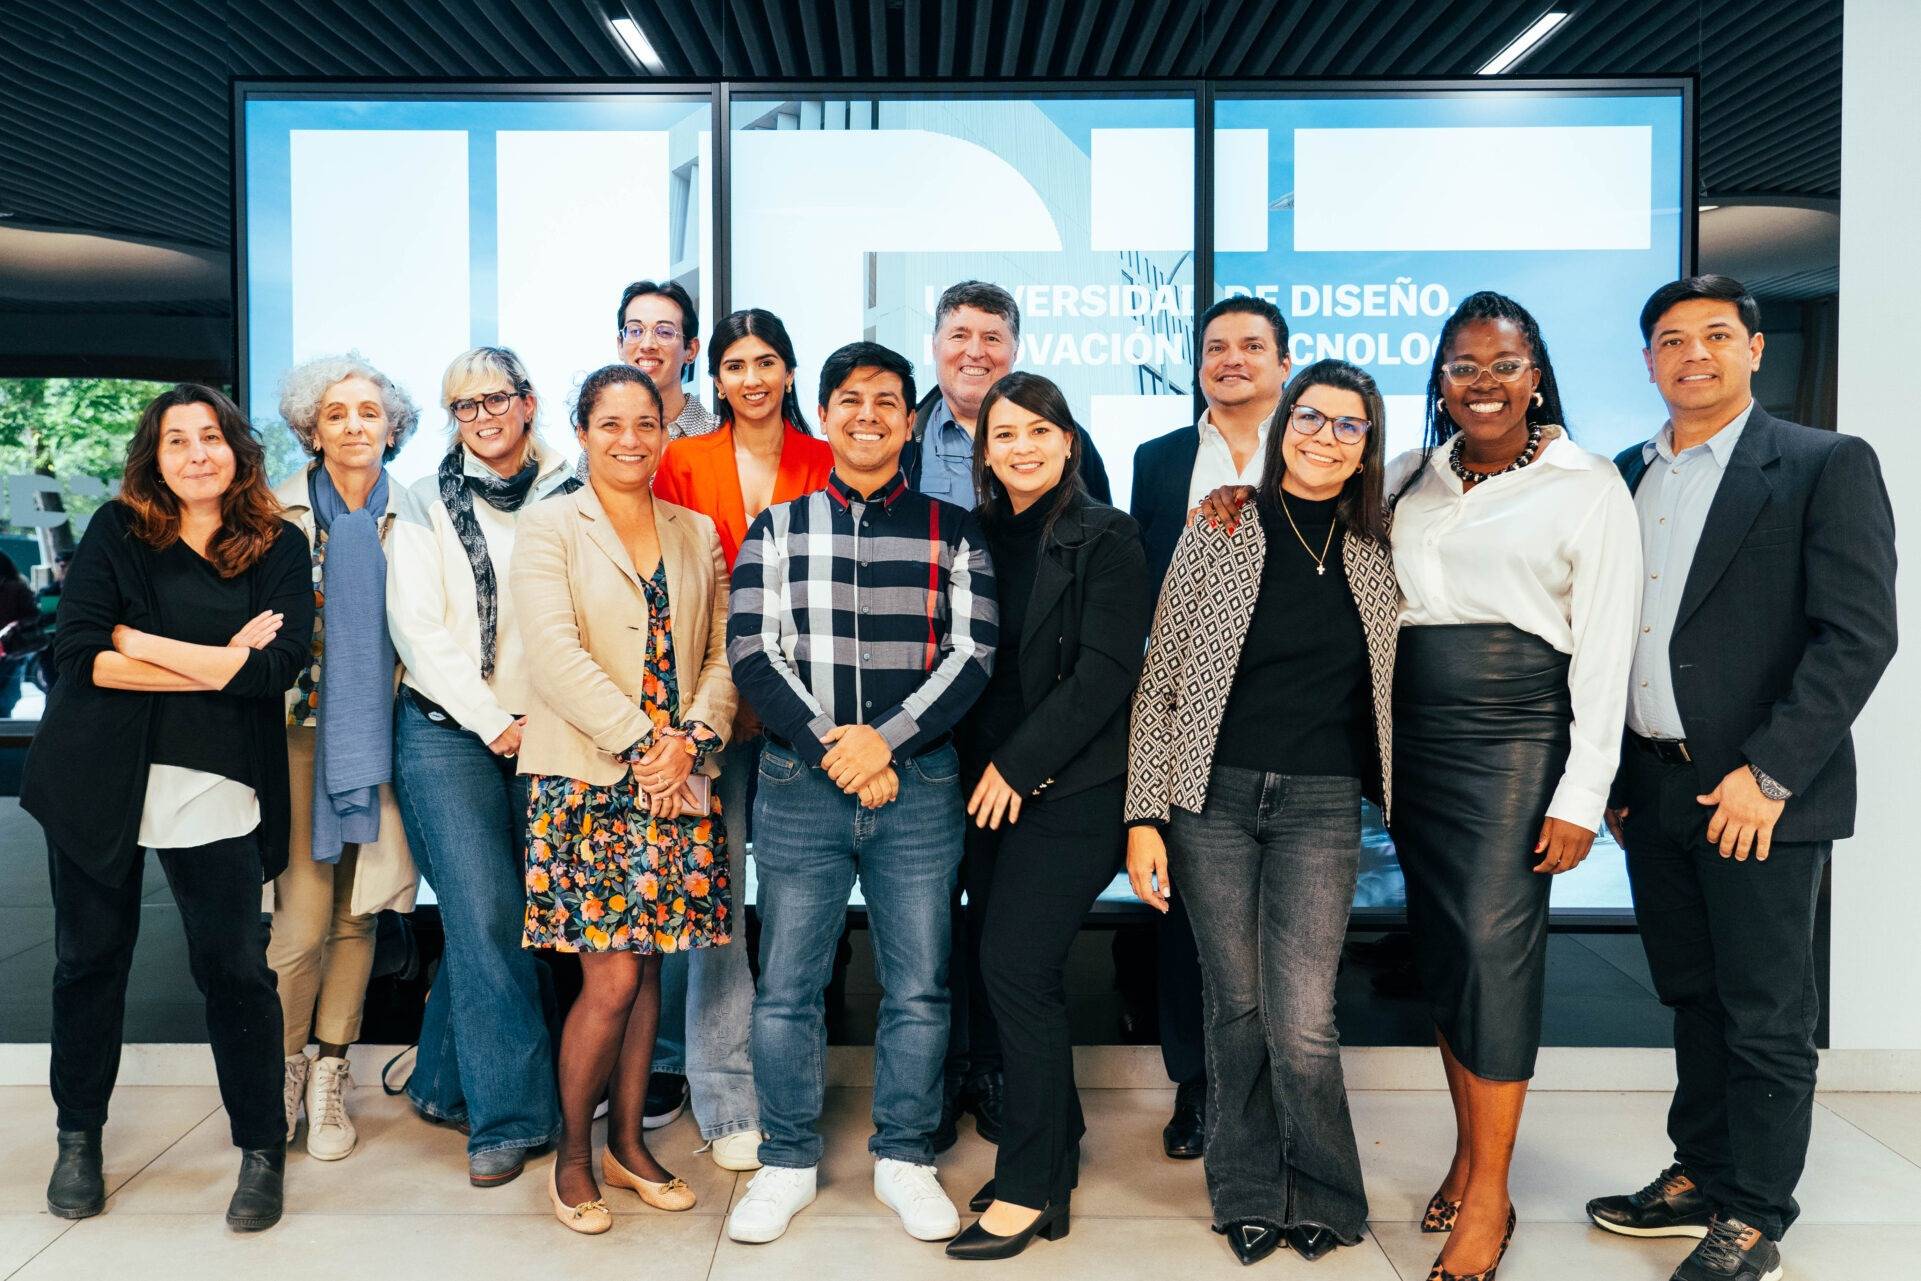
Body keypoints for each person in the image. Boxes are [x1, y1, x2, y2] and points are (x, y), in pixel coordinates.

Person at [1585, 277, 1897, 1281]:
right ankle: (1701, 1171)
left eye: (1717, 336)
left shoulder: (1819, 464)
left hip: (1757, 792)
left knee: (1766, 1011)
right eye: (1671, 340)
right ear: (1647, 361)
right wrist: (1619, 783)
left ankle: (1755, 1214)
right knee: (1691, 994)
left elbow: (1855, 635)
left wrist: (1771, 773)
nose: (1694, 355)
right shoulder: (1628, 475)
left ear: (1754, 349)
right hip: (1657, 786)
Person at [724, 341, 997, 1247]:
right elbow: (752, 654)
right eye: (850, 399)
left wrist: (885, 739)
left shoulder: (954, 529)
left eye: (887, 400)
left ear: (909, 418)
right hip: (803, 781)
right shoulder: (777, 526)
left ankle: (905, 1155)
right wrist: (836, 746)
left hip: (917, 784)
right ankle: (788, 1157)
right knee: (786, 987)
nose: (868, 414)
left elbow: (972, 654)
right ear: (826, 413)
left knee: (918, 984)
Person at [1127, 360, 1398, 1268]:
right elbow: (1160, 675)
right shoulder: (1223, 525)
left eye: (1347, 426)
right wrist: (1142, 815)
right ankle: (1244, 1190)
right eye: (1311, 418)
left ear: (1368, 447)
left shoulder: (1383, 543)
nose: (1324, 437)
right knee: (1235, 1004)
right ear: (1284, 422)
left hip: (1321, 804)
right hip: (1210, 797)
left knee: (1303, 1016)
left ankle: (1322, 1188)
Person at [27, 384, 314, 1232]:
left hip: (218, 776)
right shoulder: (119, 530)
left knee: (233, 969)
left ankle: (261, 1147)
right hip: (96, 774)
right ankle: (77, 1138)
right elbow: (79, 656)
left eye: (212, 437)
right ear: (153, 456)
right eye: (177, 440)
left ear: (238, 450)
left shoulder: (278, 545)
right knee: (88, 962)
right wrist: (210, 655)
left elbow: (272, 670)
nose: (196, 453)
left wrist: (136, 640)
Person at [513, 363, 739, 1234]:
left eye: (646, 422)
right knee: (608, 975)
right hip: (585, 779)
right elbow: (555, 654)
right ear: (581, 430)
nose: (630, 439)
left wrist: (691, 738)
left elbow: (721, 651)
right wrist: (645, 744)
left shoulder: (695, 531)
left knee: (649, 965)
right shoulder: (549, 526)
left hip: (677, 779)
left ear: (665, 429)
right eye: (610, 423)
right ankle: (574, 1154)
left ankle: (629, 1146)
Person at [941, 372, 1149, 1261]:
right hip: (982, 791)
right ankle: (1052, 1151)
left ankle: (1027, 1186)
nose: (1020, 447)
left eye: (1038, 430)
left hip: (1071, 789)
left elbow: (1105, 676)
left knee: (1014, 968)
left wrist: (1017, 767)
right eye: (1003, 434)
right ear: (982, 450)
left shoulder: (1108, 536)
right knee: (1002, 971)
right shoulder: (975, 535)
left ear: (1067, 440)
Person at [649, 308, 835, 1172]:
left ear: (789, 373)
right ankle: (724, 1096)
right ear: (712, 378)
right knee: (715, 902)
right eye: (733, 363)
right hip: (711, 705)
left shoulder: (828, 457)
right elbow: (674, 590)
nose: (751, 377)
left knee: (800, 903)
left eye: (766, 361)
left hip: (808, 707)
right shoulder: (681, 460)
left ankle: (795, 1083)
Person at [388, 346, 573, 1187]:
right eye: (463, 406)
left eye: (495, 398)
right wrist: (498, 723)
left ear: (528, 403)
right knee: (486, 912)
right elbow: (418, 633)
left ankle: (437, 1079)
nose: (482, 416)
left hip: (559, 732)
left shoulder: (576, 491)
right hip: (448, 730)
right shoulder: (423, 503)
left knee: (516, 921)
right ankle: (508, 1119)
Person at [1126, 293, 1293, 1160]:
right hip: (1186, 715)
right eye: (1215, 346)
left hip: (1289, 717)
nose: (1231, 359)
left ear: (1282, 362)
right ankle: (1196, 1085)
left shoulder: (1312, 450)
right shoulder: (1157, 460)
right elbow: (1143, 589)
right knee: (1187, 916)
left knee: (1282, 921)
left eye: (1250, 346)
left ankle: (1274, 1089)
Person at [267, 355, 421, 1163]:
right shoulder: (270, 511)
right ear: (311, 429)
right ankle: (284, 1068)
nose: (355, 424)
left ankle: (332, 1073)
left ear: (391, 428)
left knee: (360, 910)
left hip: (387, 734)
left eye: (370, 411)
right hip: (295, 732)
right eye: (337, 413)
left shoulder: (420, 513)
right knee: (299, 923)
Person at [616, 278, 717, 441]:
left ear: (691, 350)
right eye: (635, 331)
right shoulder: (603, 440)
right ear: (620, 345)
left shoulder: (722, 437)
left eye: (664, 332)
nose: (647, 345)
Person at [0, 552, 42, 715]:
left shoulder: (16, 588)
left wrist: (13, 626)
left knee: (6, 695)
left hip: (10, 647)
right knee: (7, 695)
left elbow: (33, 615)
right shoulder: (18, 587)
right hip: (10, 649)